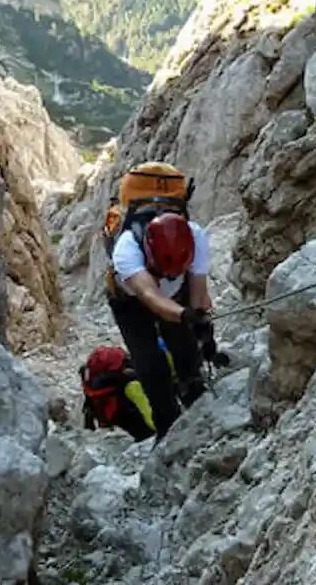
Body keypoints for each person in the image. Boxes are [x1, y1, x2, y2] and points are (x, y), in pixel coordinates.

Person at [103, 162, 228, 441]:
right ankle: (167, 426)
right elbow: (149, 295)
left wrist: (201, 329)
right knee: (149, 364)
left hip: (174, 295)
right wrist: (185, 316)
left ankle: (194, 394)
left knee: (185, 349)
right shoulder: (127, 247)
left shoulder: (195, 236)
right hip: (129, 301)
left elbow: (198, 291)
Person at [81, 346, 156, 442]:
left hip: (116, 425)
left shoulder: (92, 388)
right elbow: (153, 424)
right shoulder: (132, 385)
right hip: (141, 432)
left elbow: (88, 427)